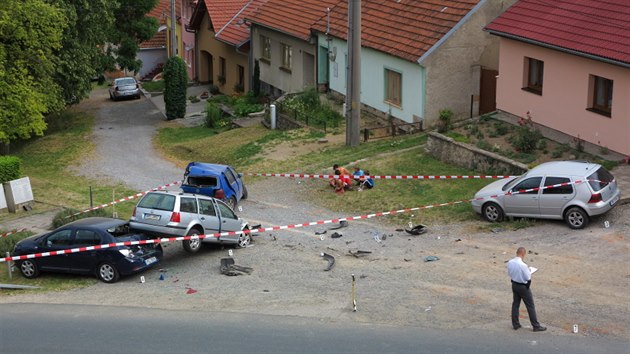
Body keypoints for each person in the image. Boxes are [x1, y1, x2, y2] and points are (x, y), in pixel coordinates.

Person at [507, 247, 546, 332]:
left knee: (515, 304)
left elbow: (509, 273)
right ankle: (535, 325)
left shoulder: (510, 262)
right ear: (523, 254)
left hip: (514, 284)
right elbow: (528, 277)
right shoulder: (523, 265)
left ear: (517, 252)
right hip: (523, 286)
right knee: (530, 306)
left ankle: (515, 324)